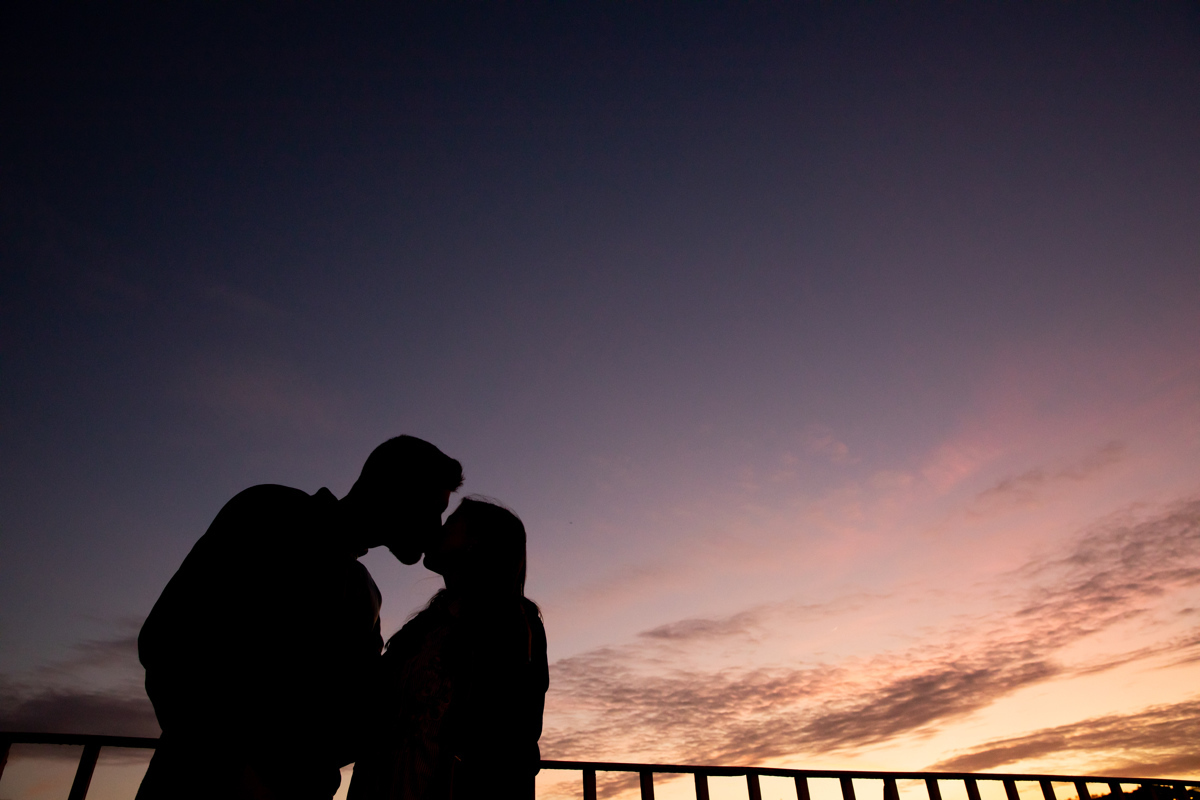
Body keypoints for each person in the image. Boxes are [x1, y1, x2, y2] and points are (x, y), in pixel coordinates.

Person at [135, 435, 464, 800]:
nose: (436, 528)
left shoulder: (366, 592)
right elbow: (168, 642)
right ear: (396, 491)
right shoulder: (269, 512)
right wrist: (232, 772)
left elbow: (355, 712)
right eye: (432, 509)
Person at [349, 498, 549, 800]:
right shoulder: (424, 625)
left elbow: (511, 739)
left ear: (477, 543)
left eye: (453, 521)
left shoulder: (513, 622)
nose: (438, 528)